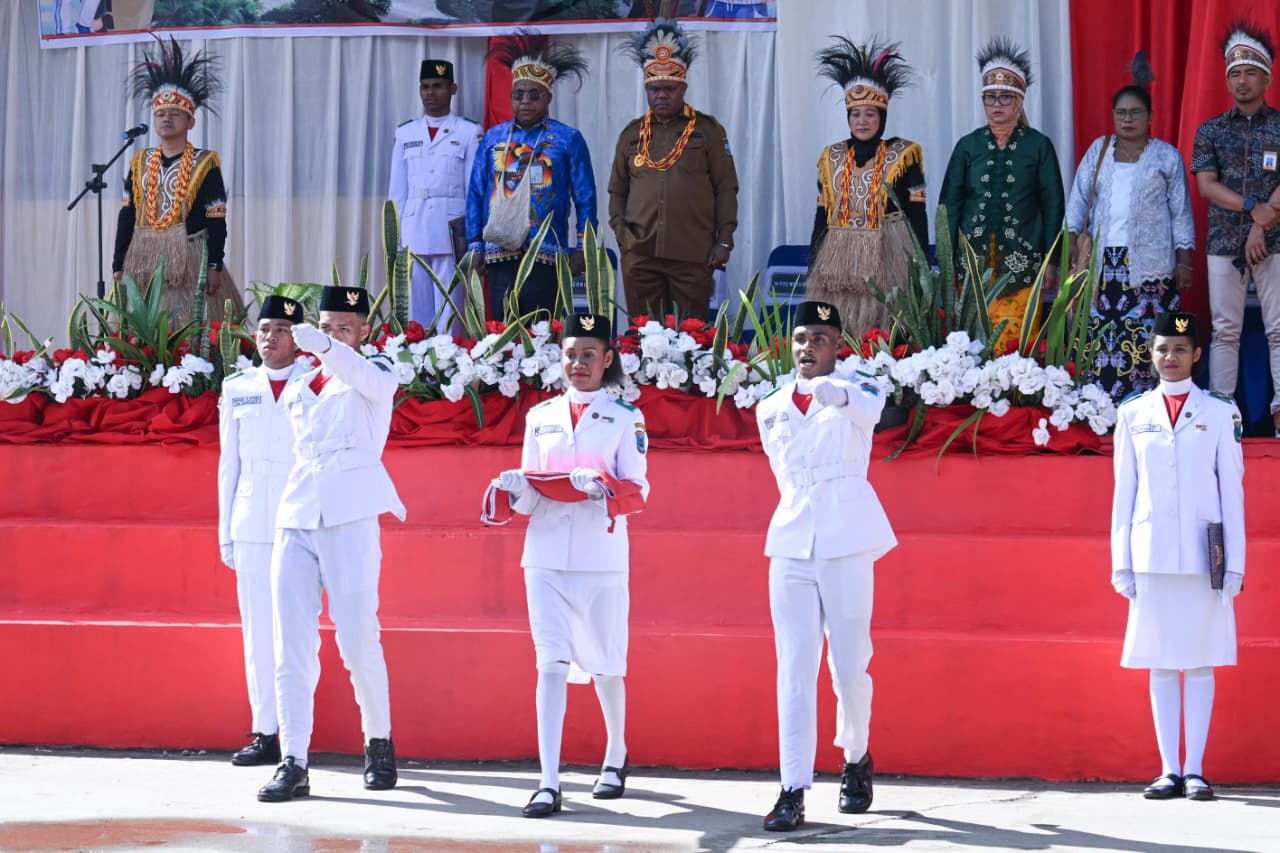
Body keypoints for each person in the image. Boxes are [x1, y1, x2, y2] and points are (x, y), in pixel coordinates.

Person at [490, 312, 649, 818]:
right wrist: (517, 490)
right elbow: (533, 500)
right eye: (570, 354)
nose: (578, 364)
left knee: (605, 663)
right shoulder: (541, 416)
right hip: (544, 555)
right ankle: (548, 781)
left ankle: (616, 753)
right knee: (550, 662)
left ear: (607, 360)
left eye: (588, 355)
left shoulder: (625, 418)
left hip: (600, 558)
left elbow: (638, 492)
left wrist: (600, 489)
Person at [256, 286, 407, 803]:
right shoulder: (302, 380)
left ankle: (379, 741)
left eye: (345, 327)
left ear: (363, 331)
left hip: (349, 514)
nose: (332, 335)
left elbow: (367, 380)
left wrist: (326, 347)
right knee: (291, 644)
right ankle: (293, 758)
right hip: (298, 513)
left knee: (358, 638)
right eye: (326, 326)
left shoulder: (377, 369)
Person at [753, 300, 897, 832]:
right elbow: (784, 476)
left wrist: (835, 394)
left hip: (845, 536)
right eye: (800, 338)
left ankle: (856, 756)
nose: (807, 347)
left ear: (838, 345)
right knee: (793, 668)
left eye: (818, 338)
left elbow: (869, 408)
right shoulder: (770, 406)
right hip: (792, 539)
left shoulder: (862, 387)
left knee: (850, 667)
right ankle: (792, 787)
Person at [1110, 311, 1245, 802]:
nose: (1171, 357)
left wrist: (1235, 564)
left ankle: (1196, 770)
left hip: (1204, 556)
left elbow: (1232, 492)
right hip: (1151, 555)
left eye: (1181, 350)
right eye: (1163, 349)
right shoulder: (1132, 413)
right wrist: (1120, 562)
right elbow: (1124, 494)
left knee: (1201, 662)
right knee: (1162, 663)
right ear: (1152, 353)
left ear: (1197, 356)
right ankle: (1167, 768)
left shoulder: (1219, 411)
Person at [1066, 53, 1196, 402]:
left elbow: (1181, 213)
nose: (1127, 119)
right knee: (1101, 341)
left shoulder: (1167, 157)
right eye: (1121, 113)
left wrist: (1184, 262)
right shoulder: (1098, 151)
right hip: (1103, 267)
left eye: (1135, 112)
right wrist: (1069, 246)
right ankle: (1099, 411)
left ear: (1150, 117)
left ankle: (1149, 409)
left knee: (1147, 343)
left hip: (1151, 268)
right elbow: (1077, 202)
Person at [217, 295, 308, 768]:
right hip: (251, 520)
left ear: (298, 338)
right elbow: (227, 464)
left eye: (280, 330)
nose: (269, 337)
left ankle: (297, 734)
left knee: (295, 632)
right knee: (257, 631)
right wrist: (224, 532)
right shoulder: (238, 387)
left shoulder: (314, 383)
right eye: (265, 328)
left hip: (298, 520)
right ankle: (264, 729)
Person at [608, 18, 738, 320]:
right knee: (642, 341)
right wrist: (623, 237)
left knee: (692, 341)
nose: (661, 96)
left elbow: (726, 187)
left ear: (683, 88)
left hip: (692, 256)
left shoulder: (708, 130)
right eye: (654, 90)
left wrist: (724, 240)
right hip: (640, 257)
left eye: (669, 89)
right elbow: (617, 191)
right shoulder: (631, 133)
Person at [941, 38, 1065, 355]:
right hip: (972, 266)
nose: (997, 104)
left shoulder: (1038, 146)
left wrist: (1051, 262)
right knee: (971, 345)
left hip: (1022, 266)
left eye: (1006, 98)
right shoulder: (968, 146)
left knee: (1016, 346)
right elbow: (949, 205)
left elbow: (1053, 206)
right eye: (990, 97)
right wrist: (947, 258)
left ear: (1020, 102)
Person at [467, 31, 596, 320]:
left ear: (548, 97)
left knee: (542, 332)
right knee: (501, 331)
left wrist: (582, 248)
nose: (526, 101)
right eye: (518, 95)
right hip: (500, 253)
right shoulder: (493, 138)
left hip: (547, 255)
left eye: (534, 95)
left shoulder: (568, 139)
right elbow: (475, 194)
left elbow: (586, 199)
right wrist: (475, 246)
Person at [1191, 23, 1280, 437]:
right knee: (1225, 329)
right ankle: (1222, 415)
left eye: (1249, 72)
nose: (1241, 80)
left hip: (1276, 241)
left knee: (1279, 329)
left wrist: (1264, 222)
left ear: (1266, 77)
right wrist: (1252, 211)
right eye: (1234, 73)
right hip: (1224, 241)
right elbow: (1207, 185)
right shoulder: (1210, 129)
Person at [806, 37, 927, 338]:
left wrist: (922, 267)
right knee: (838, 329)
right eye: (856, 114)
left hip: (889, 257)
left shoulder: (905, 153)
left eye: (870, 114)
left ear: (882, 117)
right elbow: (822, 215)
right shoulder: (831, 157)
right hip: (836, 265)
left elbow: (917, 214)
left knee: (883, 329)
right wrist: (813, 264)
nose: (862, 121)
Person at [114, 37, 239, 322]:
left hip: (192, 257)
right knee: (142, 333)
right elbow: (128, 215)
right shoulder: (139, 162)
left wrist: (215, 264)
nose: (165, 119)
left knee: (194, 329)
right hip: (142, 258)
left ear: (190, 121)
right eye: (160, 114)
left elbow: (216, 217)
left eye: (174, 114)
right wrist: (118, 262)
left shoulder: (205, 162)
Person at [388, 59, 482, 333]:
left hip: (450, 231)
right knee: (417, 311)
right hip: (414, 231)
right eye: (425, 87)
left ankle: (449, 365)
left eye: (438, 86)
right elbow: (398, 191)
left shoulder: (468, 131)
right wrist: (396, 240)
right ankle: (420, 366)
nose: (431, 93)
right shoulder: (406, 133)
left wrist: (474, 239)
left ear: (452, 88)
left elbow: (473, 191)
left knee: (450, 308)